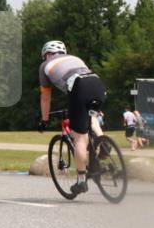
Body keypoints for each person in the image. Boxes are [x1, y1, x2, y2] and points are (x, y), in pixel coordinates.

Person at [36, 40, 106, 195]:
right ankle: (102, 139)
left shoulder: (44, 66)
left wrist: (44, 120)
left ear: (47, 54)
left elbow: (45, 97)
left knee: (79, 138)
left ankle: (81, 181)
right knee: (90, 115)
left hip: (79, 87)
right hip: (97, 83)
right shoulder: (75, 58)